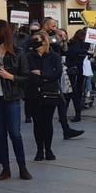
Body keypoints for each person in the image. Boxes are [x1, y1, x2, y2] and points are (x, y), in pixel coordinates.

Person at [0, 20, 32, 181]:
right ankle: (5, 168)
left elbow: (27, 77)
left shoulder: (18, 52)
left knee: (15, 133)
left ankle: (22, 167)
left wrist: (10, 77)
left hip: (11, 97)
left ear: (4, 34)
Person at [26, 32, 64, 161]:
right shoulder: (29, 56)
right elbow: (28, 74)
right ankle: (39, 149)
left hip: (50, 93)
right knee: (37, 122)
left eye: (38, 41)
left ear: (45, 41)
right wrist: (45, 76)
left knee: (47, 122)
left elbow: (57, 73)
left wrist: (42, 74)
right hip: (34, 93)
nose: (36, 44)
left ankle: (48, 149)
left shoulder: (54, 56)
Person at [66, 28, 90, 122]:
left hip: (75, 70)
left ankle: (67, 114)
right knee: (76, 93)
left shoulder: (73, 43)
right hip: (78, 70)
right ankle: (77, 114)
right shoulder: (78, 44)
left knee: (71, 93)